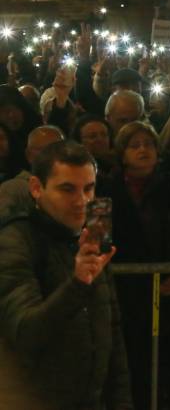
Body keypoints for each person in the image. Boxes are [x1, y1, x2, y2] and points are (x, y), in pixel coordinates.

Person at [0, 141, 132, 410]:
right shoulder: (15, 240)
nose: (82, 201)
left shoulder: (90, 238)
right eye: (67, 189)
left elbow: (112, 335)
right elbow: (26, 332)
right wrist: (78, 283)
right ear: (36, 188)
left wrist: (121, 403)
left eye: (89, 188)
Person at [107, 120, 170, 410]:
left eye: (148, 144)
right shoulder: (109, 189)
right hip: (130, 293)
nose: (143, 150)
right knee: (137, 365)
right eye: (134, 145)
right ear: (122, 153)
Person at [0, 125, 65, 216]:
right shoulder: (14, 189)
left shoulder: (77, 182)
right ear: (29, 155)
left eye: (59, 149)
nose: (53, 155)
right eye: (44, 150)